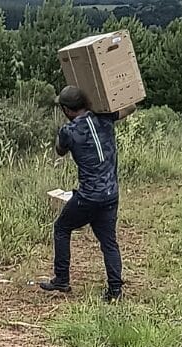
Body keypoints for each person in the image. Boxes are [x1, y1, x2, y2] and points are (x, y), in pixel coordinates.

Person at [40, 86, 134, 303]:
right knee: (109, 242)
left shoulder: (69, 131)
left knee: (62, 228)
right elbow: (131, 106)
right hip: (111, 193)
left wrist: (62, 132)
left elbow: (60, 150)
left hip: (89, 196)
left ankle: (61, 279)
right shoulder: (105, 117)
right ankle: (115, 291)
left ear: (66, 109)